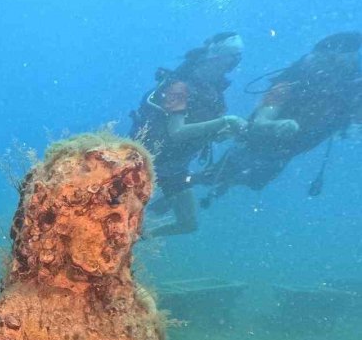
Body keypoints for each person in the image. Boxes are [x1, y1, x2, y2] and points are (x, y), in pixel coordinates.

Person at [201, 31, 362, 200]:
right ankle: (194, 183)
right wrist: (276, 125)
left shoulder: (351, 89)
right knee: (220, 175)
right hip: (260, 145)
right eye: (326, 61)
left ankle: (215, 184)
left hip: (286, 150)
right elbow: (259, 122)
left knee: (252, 181)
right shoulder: (293, 81)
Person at [130, 32, 248, 237]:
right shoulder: (180, 86)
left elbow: (203, 131)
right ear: (215, 57)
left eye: (237, 57)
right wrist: (224, 122)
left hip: (175, 166)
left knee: (188, 223)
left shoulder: (213, 92)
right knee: (119, 212)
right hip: (147, 161)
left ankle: (139, 236)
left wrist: (222, 132)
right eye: (232, 57)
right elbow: (176, 133)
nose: (234, 63)